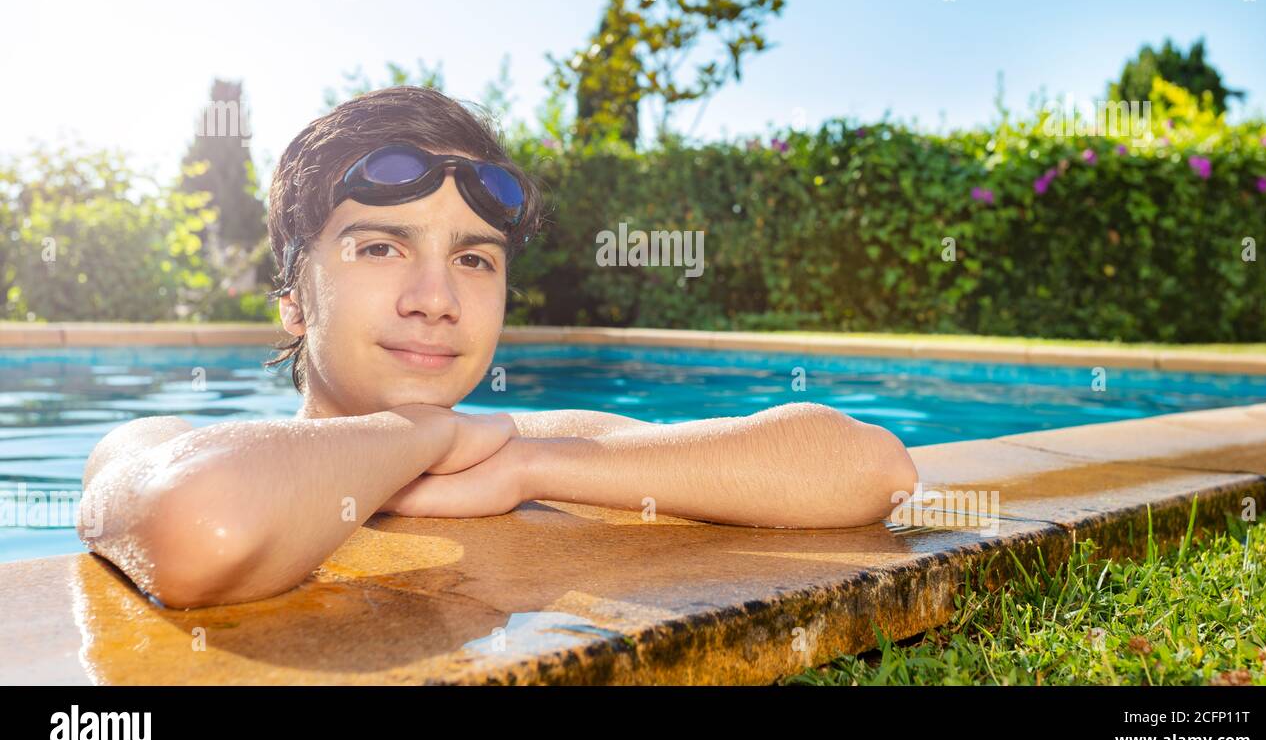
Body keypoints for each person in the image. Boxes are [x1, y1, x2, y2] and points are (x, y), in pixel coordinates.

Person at [78, 86, 917, 608]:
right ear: (294, 302)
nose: (435, 300)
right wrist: (424, 436)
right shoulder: (161, 444)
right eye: (381, 247)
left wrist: (529, 467)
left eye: (473, 259)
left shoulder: (533, 450)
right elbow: (200, 528)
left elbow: (872, 467)